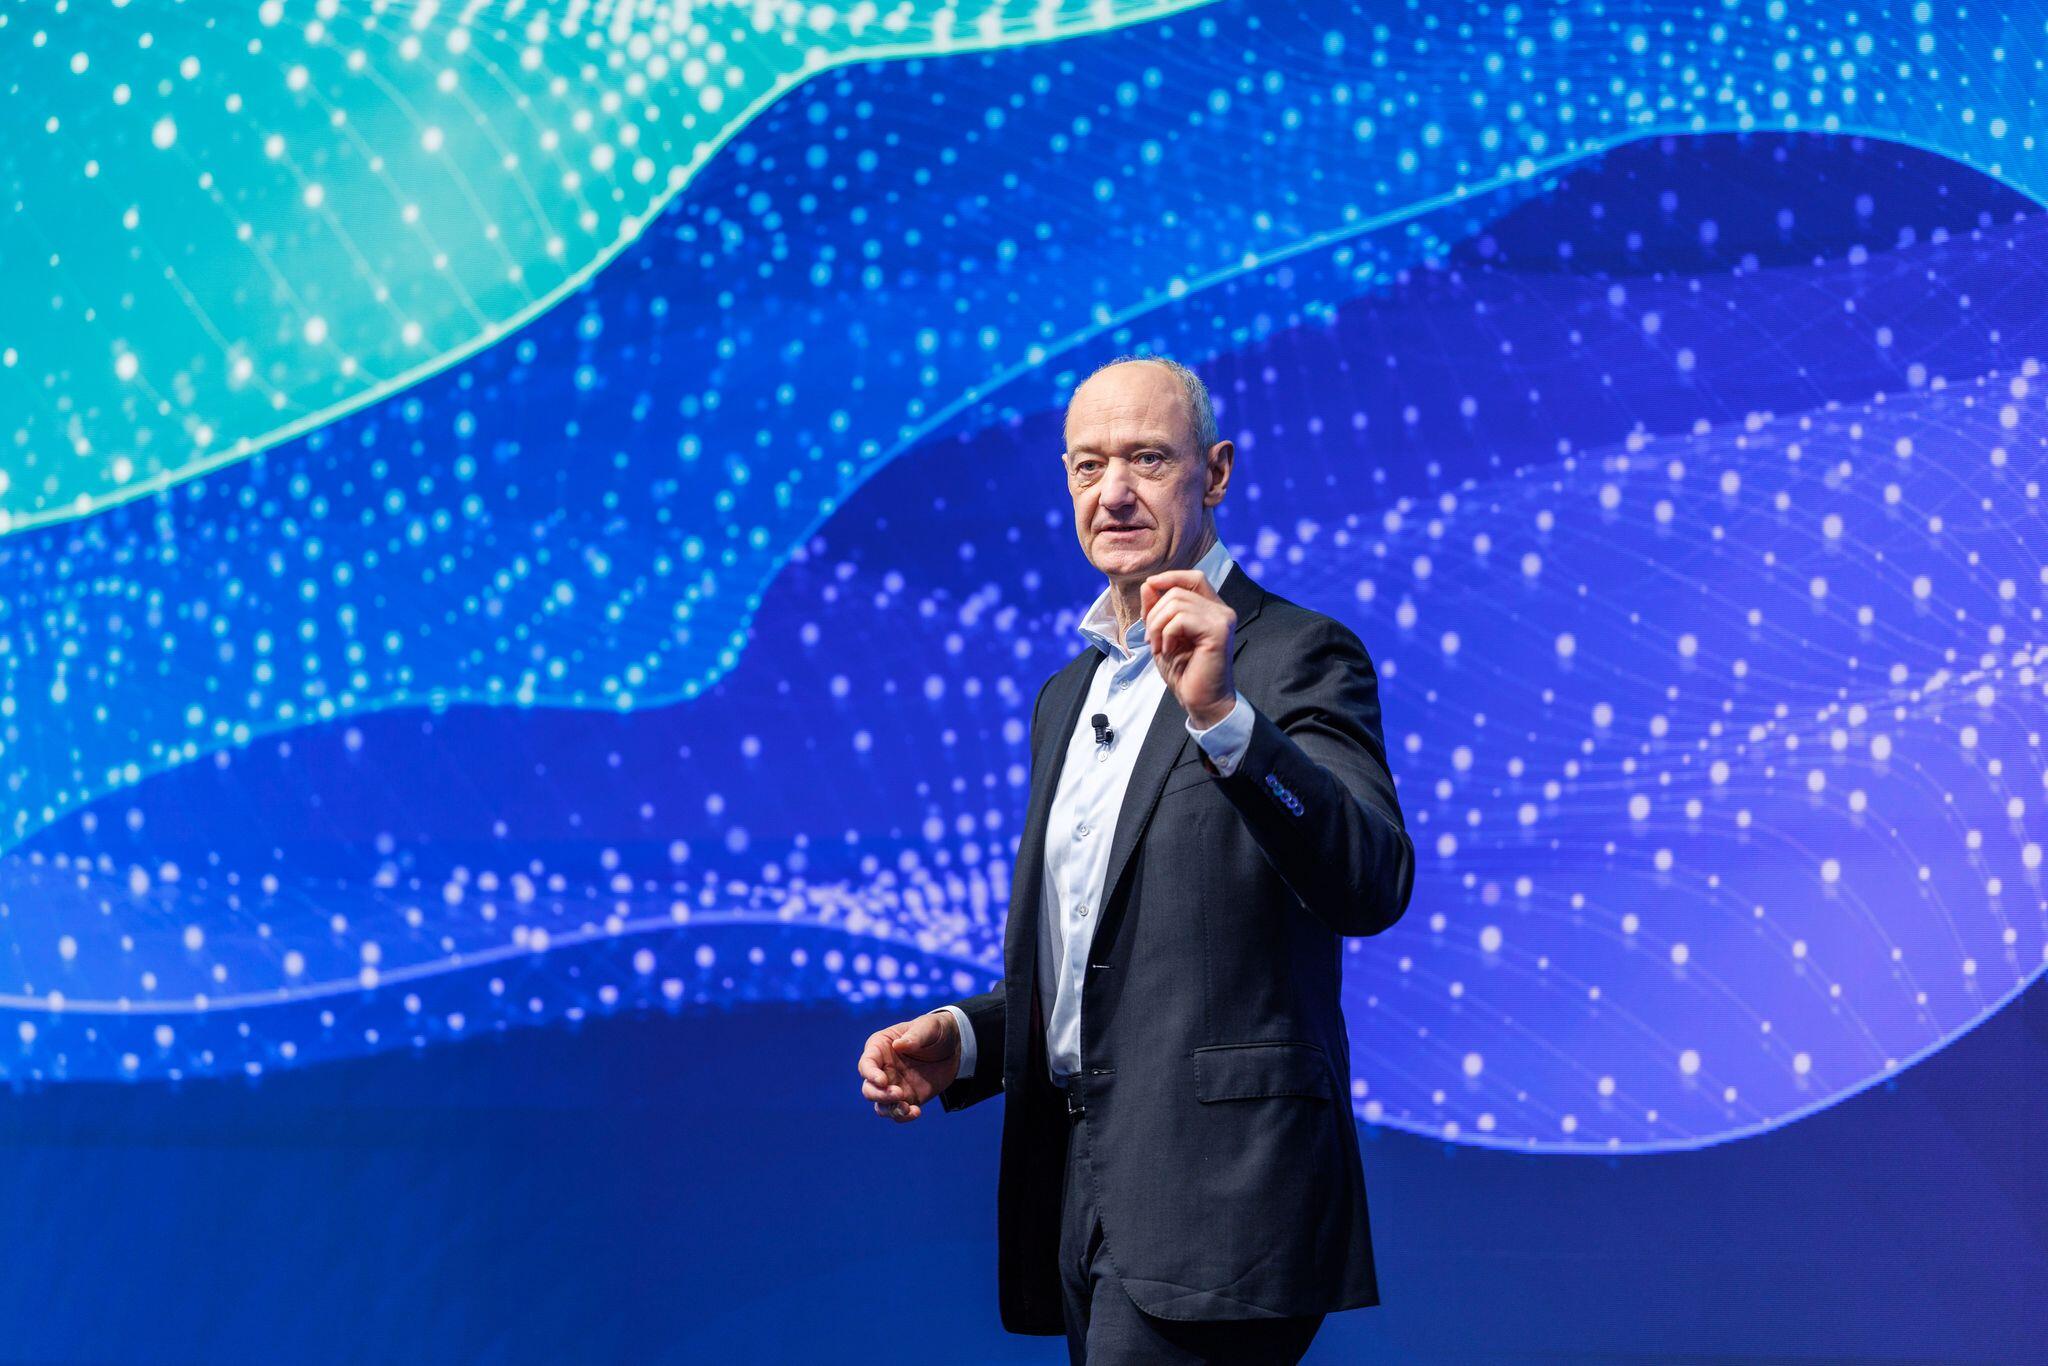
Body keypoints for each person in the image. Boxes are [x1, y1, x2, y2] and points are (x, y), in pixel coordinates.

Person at [855, 354, 1416, 1364]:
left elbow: (1370, 880)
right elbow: (1108, 961)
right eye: (1087, 465)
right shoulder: (1066, 697)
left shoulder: (1294, 654)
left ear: (1215, 472)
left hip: (1226, 1195)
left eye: (1147, 459)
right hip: (1080, 1190)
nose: (1111, 492)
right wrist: (971, 1041)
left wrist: (1224, 717)